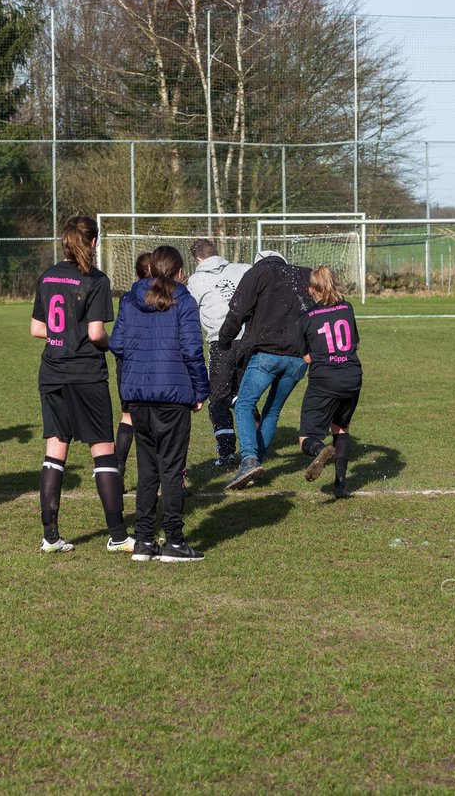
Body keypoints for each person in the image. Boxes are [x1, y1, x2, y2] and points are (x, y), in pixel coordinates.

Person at [30, 215, 131, 554]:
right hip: (85, 374)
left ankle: (50, 536)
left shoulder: (47, 276)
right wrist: (111, 345)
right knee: (103, 449)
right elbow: (95, 333)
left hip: (52, 372)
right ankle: (118, 536)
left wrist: (63, 334)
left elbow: (36, 328)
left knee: (55, 450)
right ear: (92, 242)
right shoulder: (96, 280)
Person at [109, 245, 210, 562]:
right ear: (180, 273)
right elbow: (193, 350)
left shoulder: (130, 299)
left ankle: (143, 540)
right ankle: (175, 542)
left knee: (148, 470)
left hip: (139, 396)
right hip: (172, 396)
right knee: (171, 469)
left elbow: (117, 344)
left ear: (150, 269)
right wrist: (200, 391)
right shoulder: (184, 301)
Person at [216, 249, 313, 490]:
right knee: (273, 411)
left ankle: (249, 460)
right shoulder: (304, 275)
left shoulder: (259, 272)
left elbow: (238, 310)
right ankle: (256, 462)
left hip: (267, 354)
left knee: (244, 404)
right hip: (300, 357)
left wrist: (224, 340)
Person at [297, 266, 362, 499]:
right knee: (341, 428)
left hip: (325, 380)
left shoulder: (305, 318)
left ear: (313, 289)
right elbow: (355, 344)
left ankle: (319, 450)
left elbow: (306, 356)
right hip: (352, 377)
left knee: (306, 436)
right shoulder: (347, 307)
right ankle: (341, 485)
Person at [186, 238, 251, 467]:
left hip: (221, 342)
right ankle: (253, 447)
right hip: (248, 340)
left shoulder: (196, 280)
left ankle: (226, 454)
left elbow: (188, 311)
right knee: (243, 395)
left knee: (218, 398)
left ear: (197, 259)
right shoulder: (242, 269)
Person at [114, 251, 155, 476]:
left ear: (136, 274)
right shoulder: (167, 297)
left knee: (128, 416)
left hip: (129, 365)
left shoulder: (126, 299)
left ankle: (117, 469)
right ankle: (174, 478)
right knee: (161, 421)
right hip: (157, 365)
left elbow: (117, 339)